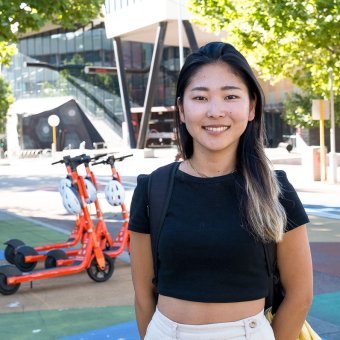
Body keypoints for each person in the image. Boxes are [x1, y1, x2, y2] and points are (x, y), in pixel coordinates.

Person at [128, 42, 313, 339]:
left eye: (230, 96)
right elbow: (143, 295)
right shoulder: (152, 189)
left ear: (251, 107)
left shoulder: (275, 189)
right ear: (182, 110)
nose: (215, 111)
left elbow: (300, 295)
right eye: (200, 97)